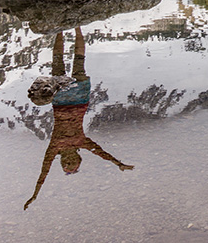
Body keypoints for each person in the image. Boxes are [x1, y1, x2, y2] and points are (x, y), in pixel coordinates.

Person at [24, 28, 134, 210]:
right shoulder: (83, 143)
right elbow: (102, 153)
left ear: (61, 161)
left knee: (58, 64)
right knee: (79, 63)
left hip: (61, 101)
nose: (68, 163)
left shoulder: (55, 148)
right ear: (78, 159)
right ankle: (77, 27)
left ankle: (59, 28)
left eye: (66, 165)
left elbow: (44, 172)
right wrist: (118, 163)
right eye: (72, 165)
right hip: (79, 98)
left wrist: (35, 194)